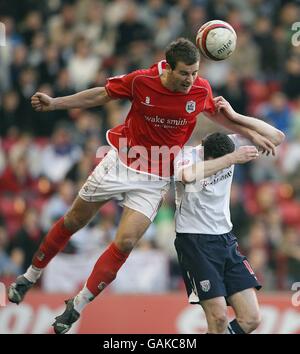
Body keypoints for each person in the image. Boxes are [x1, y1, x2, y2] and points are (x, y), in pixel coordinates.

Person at [7, 38, 275, 334]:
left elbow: (219, 116)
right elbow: (101, 95)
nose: (190, 80)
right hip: (121, 161)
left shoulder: (201, 90)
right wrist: (57, 103)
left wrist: (252, 132)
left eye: (195, 72)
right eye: (185, 73)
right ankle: (30, 275)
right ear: (169, 68)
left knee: (125, 242)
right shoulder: (141, 81)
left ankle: (78, 304)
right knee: (74, 220)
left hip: (155, 178)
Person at [174, 96, 285, 334]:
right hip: (195, 242)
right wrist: (232, 159)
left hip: (225, 240)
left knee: (251, 318)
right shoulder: (185, 156)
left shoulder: (231, 143)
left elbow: (277, 137)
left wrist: (235, 117)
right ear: (203, 149)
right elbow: (187, 176)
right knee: (218, 320)